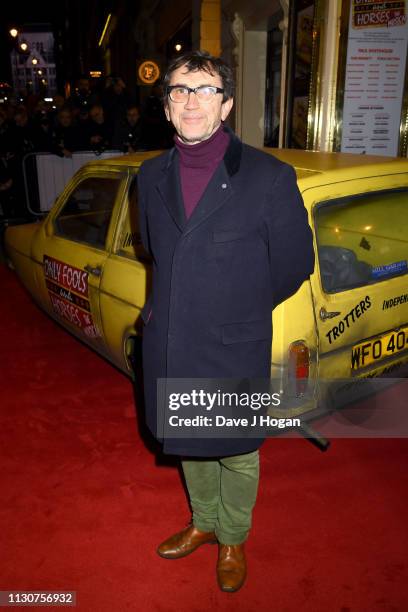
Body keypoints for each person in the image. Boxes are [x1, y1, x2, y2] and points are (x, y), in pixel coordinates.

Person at [137, 51, 315, 593]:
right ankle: (205, 523)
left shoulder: (268, 177)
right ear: (167, 107)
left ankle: (233, 535)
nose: (191, 100)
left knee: (237, 449)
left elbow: (294, 263)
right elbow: (154, 249)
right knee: (190, 440)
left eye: (205, 90)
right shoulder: (148, 175)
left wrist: (233, 308)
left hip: (232, 341)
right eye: (179, 91)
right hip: (173, 337)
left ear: (227, 104)